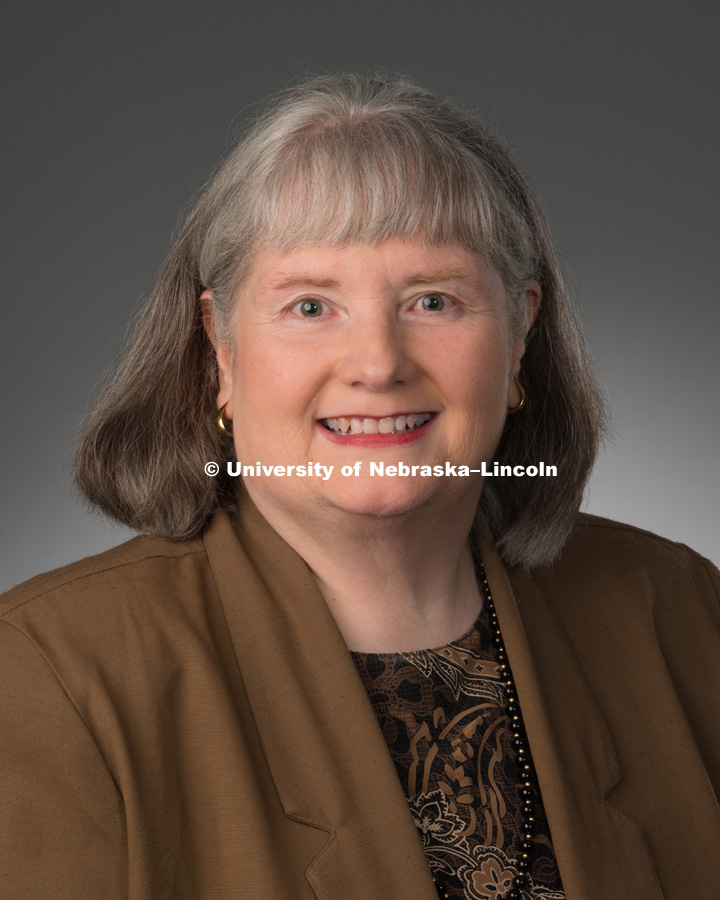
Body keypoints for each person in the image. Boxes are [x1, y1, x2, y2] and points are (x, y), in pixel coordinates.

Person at [1, 73, 718, 900]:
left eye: (434, 300)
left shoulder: (680, 612)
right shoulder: (47, 676)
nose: (378, 364)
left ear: (520, 335)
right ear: (220, 353)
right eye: (311, 306)